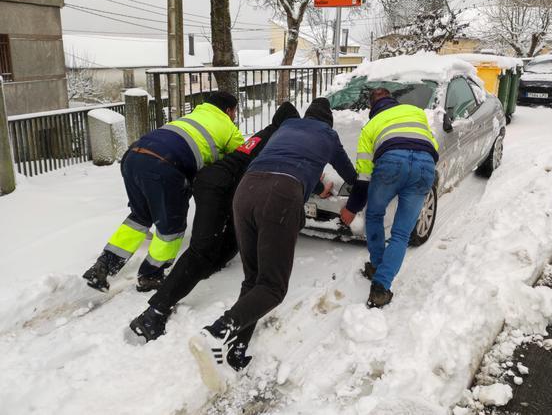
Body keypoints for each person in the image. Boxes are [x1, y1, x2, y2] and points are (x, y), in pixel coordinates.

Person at [128, 102, 329, 357]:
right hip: (224, 188)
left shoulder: (264, 135)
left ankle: (208, 277)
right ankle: (153, 314)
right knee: (202, 253)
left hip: (216, 182)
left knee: (230, 243)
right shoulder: (280, 139)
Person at [187, 97, 357, 393]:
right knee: (273, 287)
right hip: (280, 194)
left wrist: (318, 187)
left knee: (253, 280)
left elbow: (288, 159)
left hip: (247, 189)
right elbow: (351, 175)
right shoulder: (328, 135)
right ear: (327, 122)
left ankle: (236, 352)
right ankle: (216, 334)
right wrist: (357, 190)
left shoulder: (288, 126)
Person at [82, 92, 245, 293]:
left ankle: (103, 266)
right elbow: (242, 159)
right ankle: (151, 276)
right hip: (164, 166)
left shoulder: (190, 117)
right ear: (229, 110)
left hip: (133, 157)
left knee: (140, 218)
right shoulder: (228, 128)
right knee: (171, 228)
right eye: (235, 111)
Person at [340, 88, 438, 308]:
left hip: (391, 163)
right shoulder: (416, 112)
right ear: (393, 101)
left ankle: (376, 265)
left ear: (372, 108)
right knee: (402, 234)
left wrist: (352, 207)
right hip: (425, 166)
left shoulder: (371, 126)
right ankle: (381, 288)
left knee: (374, 214)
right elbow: (432, 144)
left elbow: (364, 175)